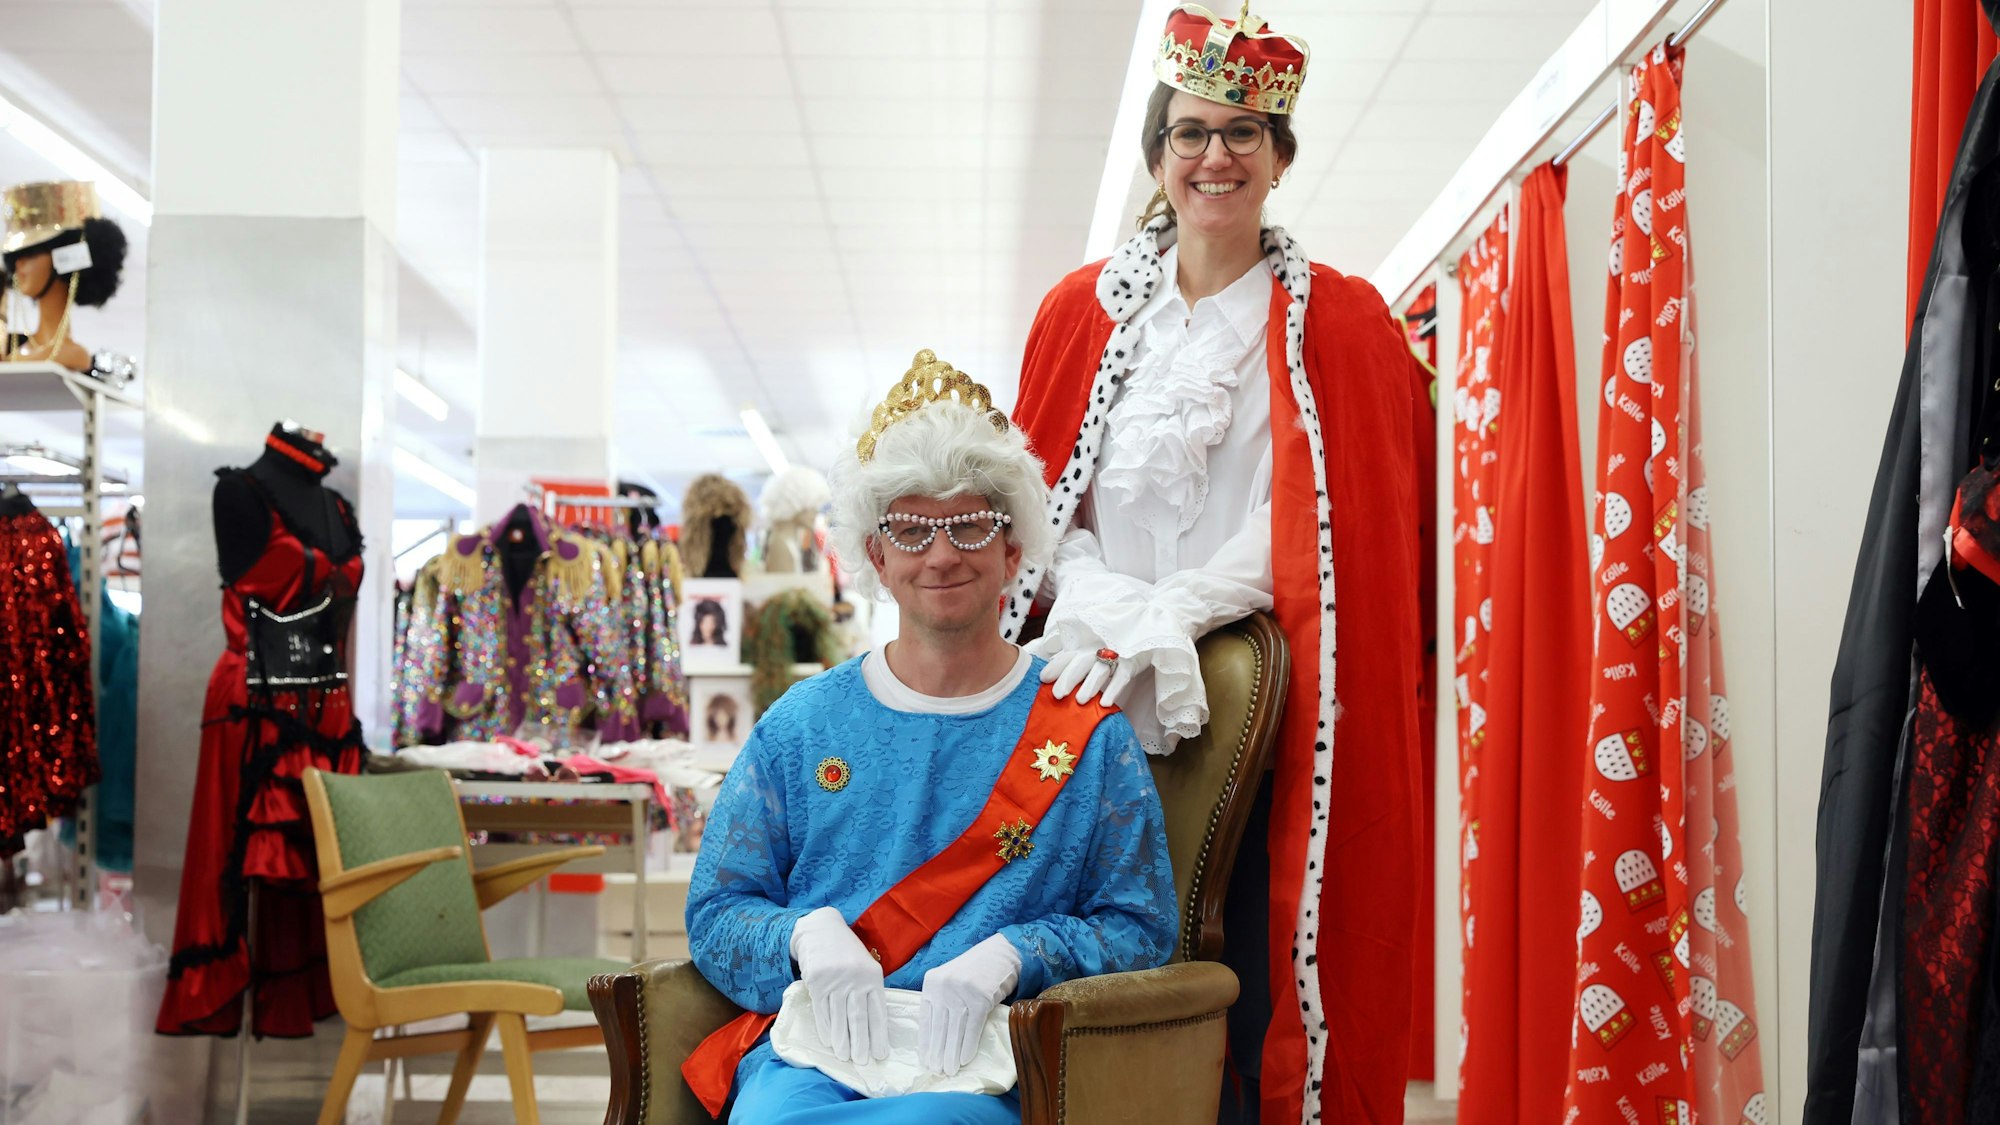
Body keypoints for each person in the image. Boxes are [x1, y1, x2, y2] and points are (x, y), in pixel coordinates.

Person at [1007, 6, 1427, 1122]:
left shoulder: (1340, 322)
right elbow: (1049, 499)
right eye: (1191, 133)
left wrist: (1182, 612)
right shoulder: (1079, 314)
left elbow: (1315, 522)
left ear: (1280, 158)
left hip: (1255, 696)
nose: (1215, 157)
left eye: (1245, 132)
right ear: (1156, 156)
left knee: (1243, 962)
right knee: (1086, 951)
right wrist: (1109, 606)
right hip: (1090, 678)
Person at [682, 351, 1177, 1122]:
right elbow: (717, 911)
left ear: (1014, 549)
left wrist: (1020, 953)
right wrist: (803, 936)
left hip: (994, 1065)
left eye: (970, 523)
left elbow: (1142, 928)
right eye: (912, 529)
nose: (942, 553)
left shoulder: (1091, 736)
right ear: (876, 555)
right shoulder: (799, 727)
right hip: (816, 1059)